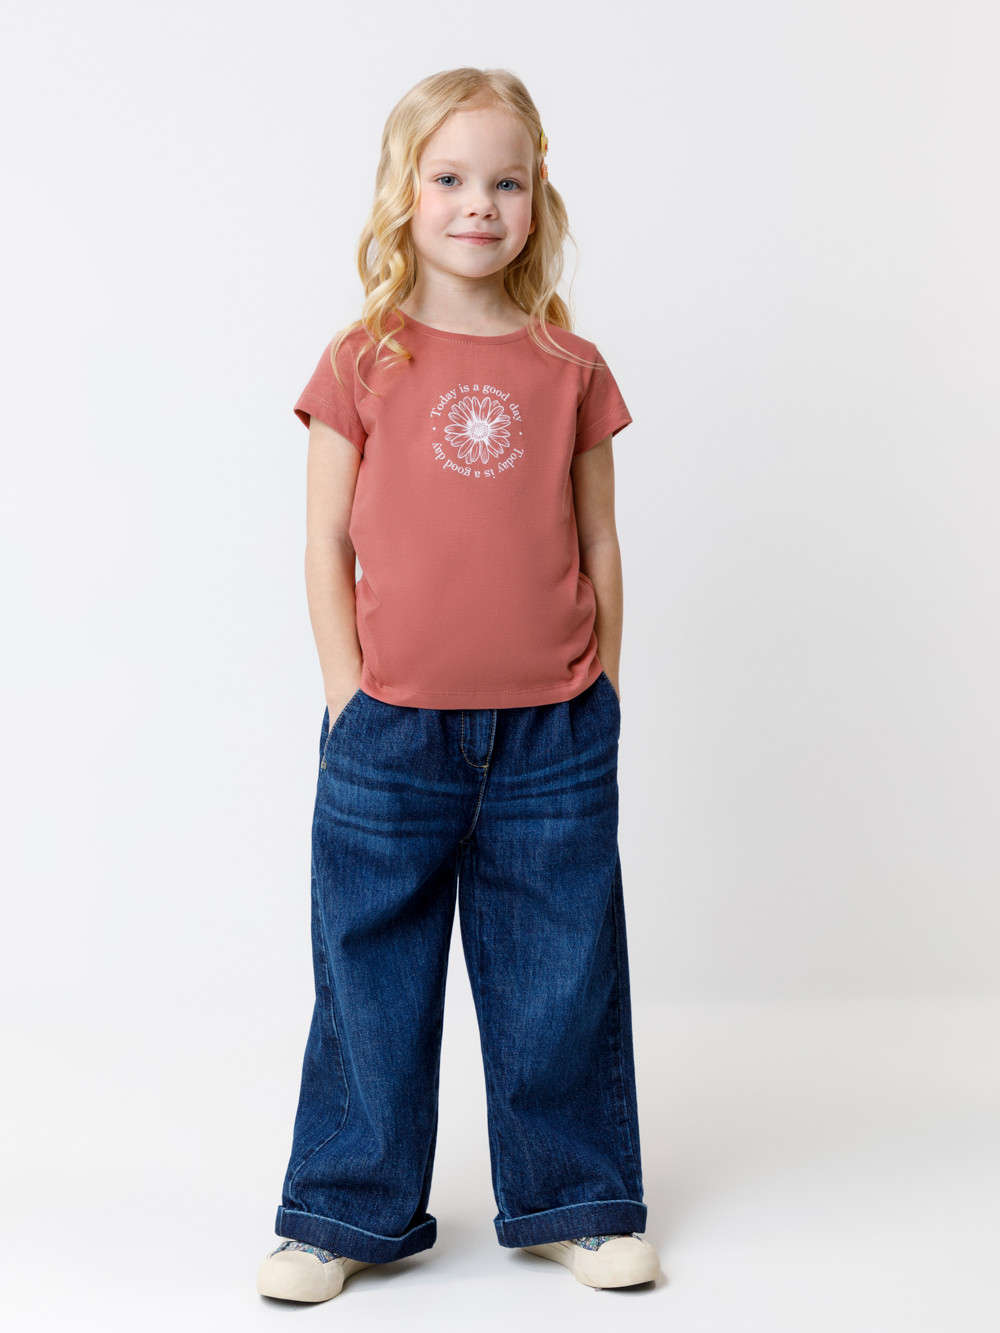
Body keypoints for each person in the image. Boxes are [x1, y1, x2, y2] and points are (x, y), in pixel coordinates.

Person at [256, 66, 661, 1303]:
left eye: (506, 182)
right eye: (449, 178)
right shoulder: (361, 360)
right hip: (391, 733)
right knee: (369, 976)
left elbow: (599, 541)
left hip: (553, 732)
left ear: (537, 201)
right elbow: (324, 542)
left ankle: (575, 1198)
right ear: (404, 194)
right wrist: (347, 693)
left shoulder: (568, 365)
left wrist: (600, 684)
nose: (479, 203)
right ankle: (341, 1208)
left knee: (560, 971)